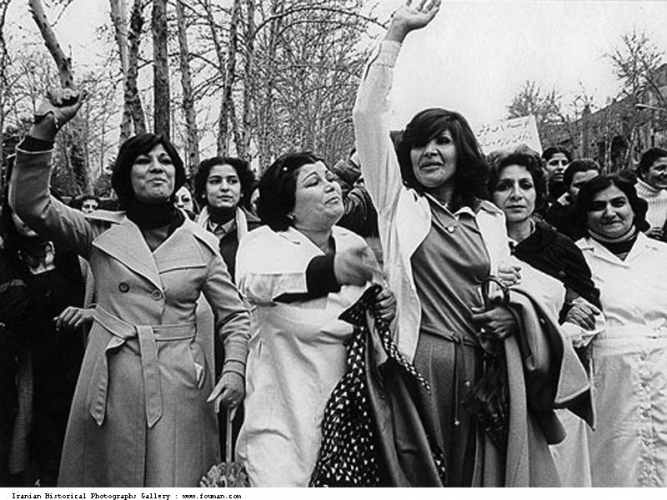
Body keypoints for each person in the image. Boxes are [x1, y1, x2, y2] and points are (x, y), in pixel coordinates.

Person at [353, 1, 589, 486]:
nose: (429, 152)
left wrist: (511, 313)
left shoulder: (488, 218)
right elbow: (365, 115)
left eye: (442, 141)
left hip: (485, 371)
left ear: (462, 153)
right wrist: (396, 35)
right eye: (420, 143)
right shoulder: (399, 205)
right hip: (419, 363)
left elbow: (513, 287)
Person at [9, 88, 251, 487]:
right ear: (126, 174)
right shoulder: (98, 231)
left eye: (165, 162)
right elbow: (29, 203)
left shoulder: (202, 244)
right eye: (144, 161)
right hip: (110, 379)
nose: (157, 168)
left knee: (173, 479)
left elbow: (235, 317)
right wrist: (46, 128)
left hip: (179, 384)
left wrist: (235, 370)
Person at [234, 151, 395, 487]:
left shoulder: (351, 242)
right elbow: (259, 283)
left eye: (329, 177)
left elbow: (374, 308)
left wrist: (385, 307)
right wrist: (329, 271)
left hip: (354, 426)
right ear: (288, 206)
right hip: (284, 425)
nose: (331, 186)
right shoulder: (261, 242)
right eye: (314, 182)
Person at [487, 146, 603, 486]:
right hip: (499, 386)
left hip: (554, 384)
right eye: (504, 186)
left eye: (525, 185)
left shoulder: (560, 247)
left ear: (538, 191)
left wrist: (559, 330)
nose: (516, 195)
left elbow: (590, 311)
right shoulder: (480, 248)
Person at [574, 174, 667, 487]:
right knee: (614, 469)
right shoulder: (572, 258)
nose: (609, 212)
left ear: (634, 207)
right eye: (597, 206)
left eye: (618, 203)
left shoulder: (662, 255)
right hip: (607, 384)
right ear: (584, 214)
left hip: (662, 377)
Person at [1, 200, 88, 486]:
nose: (26, 217)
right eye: (18, 211)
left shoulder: (79, 257)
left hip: (80, 371)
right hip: (31, 377)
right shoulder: (7, 263)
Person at [194, 156, 261, 281]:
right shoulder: (189, 231)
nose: (225, 188)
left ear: (242, 191)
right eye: (215, 181)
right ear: (203, 191)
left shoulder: (258, 232)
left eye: (232, 181)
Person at [544, 159, 601, 239]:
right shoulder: (558, 221)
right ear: (568, 189)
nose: (588, 190)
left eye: (594, 184)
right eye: (580, 186)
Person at [634, 147, 667, 240]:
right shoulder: (627, 197)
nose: (666, 173)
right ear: (644, 172)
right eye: (660, 168)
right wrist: (643, 236)